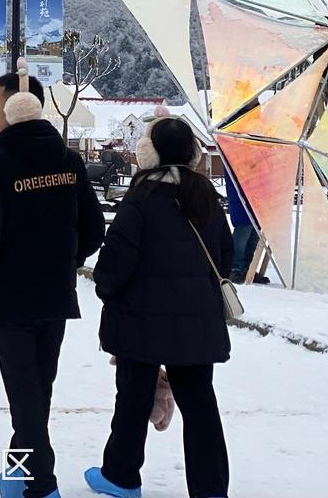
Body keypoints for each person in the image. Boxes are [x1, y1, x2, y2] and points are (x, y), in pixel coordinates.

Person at [0, 68, 105, 498]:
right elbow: (94, 227)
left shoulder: (0, 166)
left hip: (12, 296)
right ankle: (17, 468)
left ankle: (40, 484)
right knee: (37, 389)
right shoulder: (68, 161)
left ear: (14, 106)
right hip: (54, 292)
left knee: (26, 393)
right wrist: (68, 260)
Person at [86, 116, 233, 498]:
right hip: (197, 323)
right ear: (193, 154)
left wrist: (108, 291)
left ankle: (120, 477)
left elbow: (116, 260)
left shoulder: (141, 197)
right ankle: (211, 489)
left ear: (148, 154)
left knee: (133, 398)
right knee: (199, 404)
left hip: (140, 320)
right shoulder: (206, 196)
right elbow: (226, 255)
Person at [222, 163, 266, 284]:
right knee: (242, 235)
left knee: (254, 237)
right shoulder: (235, 157)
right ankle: (235, 269)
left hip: (255, 200)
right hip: (242, 200)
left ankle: (248, 268)